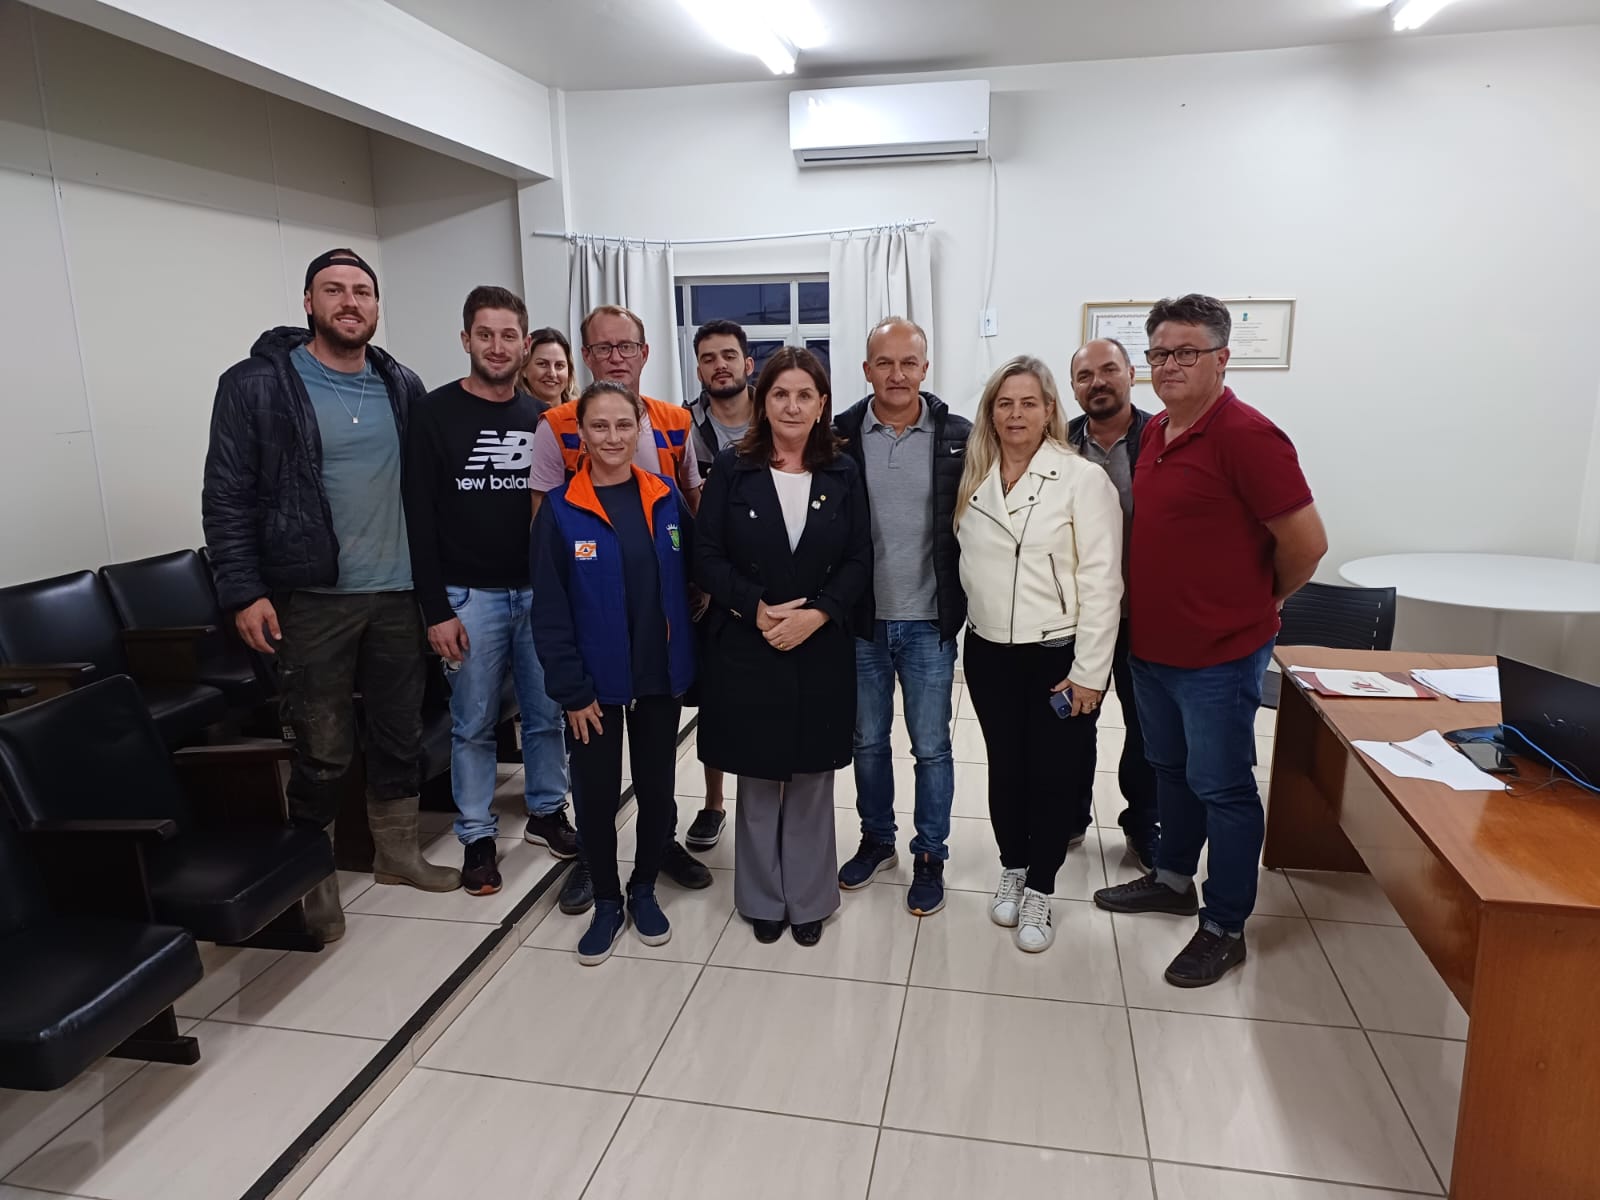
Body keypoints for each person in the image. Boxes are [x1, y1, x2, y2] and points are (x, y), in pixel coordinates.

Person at [203, 248, 459, 944]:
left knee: (399, 731)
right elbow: (226, 496)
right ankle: (310, 868)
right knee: (321, 745)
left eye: (363, 292)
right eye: (334, 291)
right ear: (309, 303)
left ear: (377, 307)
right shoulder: (259, 384)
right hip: (313, 594)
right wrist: (244, 590)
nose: (351, 302)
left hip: (400, 592)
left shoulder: (400, 382)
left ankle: (397, 853)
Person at [1093, 294, 1327, 988]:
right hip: (1154, 648)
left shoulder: (1248, 436)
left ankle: (1224, 925)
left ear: (1223, 358)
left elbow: (1307, 544)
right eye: (1160, 353)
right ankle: (1172, 879)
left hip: (1220, 654)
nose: (1170, 364)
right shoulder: (1158, 432)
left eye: (1186, 352)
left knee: (1222, 786)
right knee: (1169, 770)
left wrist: (1264, 600)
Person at [527, 305, 711, 914]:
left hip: (657, 676)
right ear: (580, 435)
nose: (611, 438)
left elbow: (694, 573)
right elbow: (550, 612)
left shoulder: (664, 500)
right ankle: (605, 893)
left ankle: (644, 884)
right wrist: (571, 690)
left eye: (622, 427)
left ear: (640, 431)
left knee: (658, 789)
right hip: (594, 687)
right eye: (597, 428)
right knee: (598, 794)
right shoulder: (559, 511)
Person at [695, 348, 872, 946]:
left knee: (810, 775)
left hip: (820, 644)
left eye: (805, 395)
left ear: (823, 404)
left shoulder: (844, 471)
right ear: (761, 400)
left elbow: (859, 558)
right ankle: (762, 898)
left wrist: (820, 614)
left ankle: (810, 897)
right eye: (780, 394)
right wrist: (756, 606)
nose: (792, 406)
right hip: (750, 642)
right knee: (760, 774)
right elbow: (706, 556)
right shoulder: (731, 467)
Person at [404, 287, 576, 898]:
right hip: (467, 595)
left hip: (538, 594)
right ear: (466, 340)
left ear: (525, 345)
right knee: (473, 723)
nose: (497, 346)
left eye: (509, 336)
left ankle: (548, 812)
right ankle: (477, 834)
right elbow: (417, 519)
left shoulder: (542, 418)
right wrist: (436, 609)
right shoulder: (433, 413)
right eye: (485, 334)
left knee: (545, 712)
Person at [954, 356, 1123, 952]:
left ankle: (1043, 890)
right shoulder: (975, 476)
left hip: (1058, 656)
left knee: (1052, 776)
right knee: (1006, 767)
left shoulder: (1081, 479)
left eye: (1029, 402)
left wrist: (1089, 674)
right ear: (991, 413)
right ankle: (1013, 865)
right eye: (1005, 403)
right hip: (989, 654)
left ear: (1050, 409)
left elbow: (1104, 582)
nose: (1016, 413)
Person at [833, 317, 971, 918]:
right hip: (860, 621)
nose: (896, 374)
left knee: (932, 747)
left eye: (907, 363)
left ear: (925, 367)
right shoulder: (836, 437)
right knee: (867, 742)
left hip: (928, 623)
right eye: (883, 363)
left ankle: (931, 852)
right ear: (866, 371)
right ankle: (877, 839)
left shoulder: (959, 437)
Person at [1067, 337, 1160, 872]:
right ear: (1074, 387)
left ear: (1131, 373)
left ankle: (1142, 822)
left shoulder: (1162, 438)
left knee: (1145, 729)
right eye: (1085, 375)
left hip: (1144, 617)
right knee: (1072, 725)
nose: (1097, 382)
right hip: (1076, 618)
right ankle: (1071, 816)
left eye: (1108, 370)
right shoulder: (1058, 446)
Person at [681, 318, 757, 853]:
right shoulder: (680, 425)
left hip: (770, 583)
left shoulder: (778, 414)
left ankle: (764, 798)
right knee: (713, 697)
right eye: (708, 358)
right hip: (709, 585)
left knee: (762, 696)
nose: (719, 366)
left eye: (728, 355)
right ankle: (713, 803)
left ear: (747, 363)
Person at [518, 326, 578, 412]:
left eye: (559, 365)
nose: (552, 373)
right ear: (523, 369)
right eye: (542, 364)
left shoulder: (584, 414)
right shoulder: (513, 417)